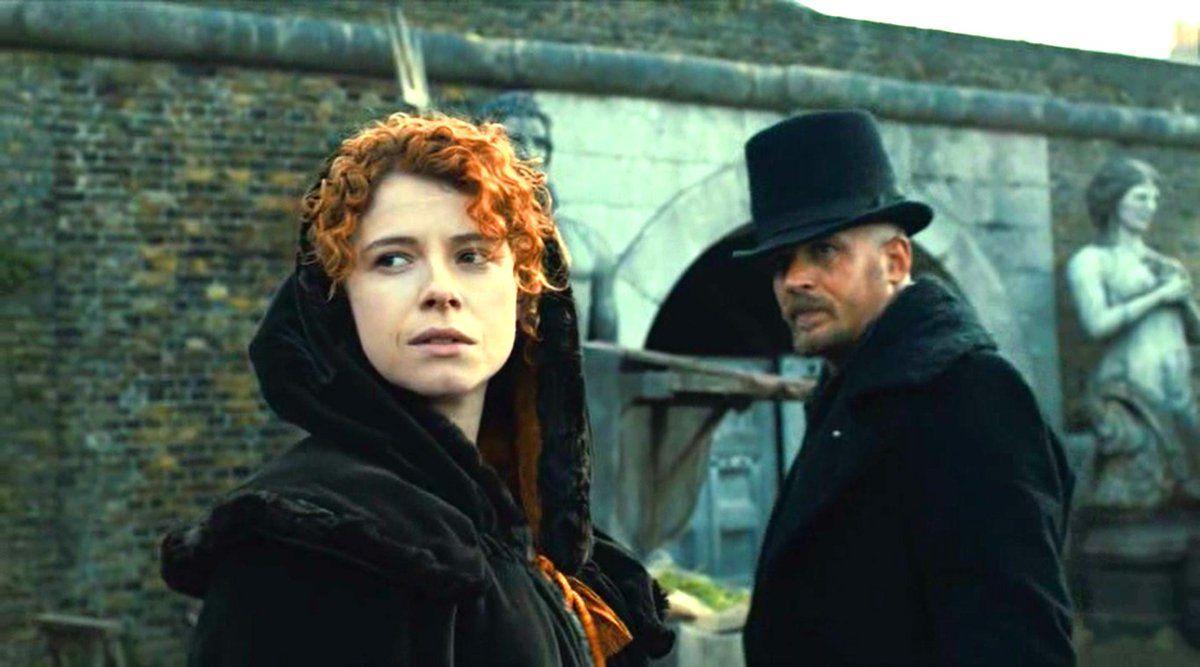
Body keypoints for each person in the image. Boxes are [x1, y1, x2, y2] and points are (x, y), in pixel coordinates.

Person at [159, 113, 673, 666]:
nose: (440, 291)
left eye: (472, 255)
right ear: (341, 300)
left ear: (524, 294)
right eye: (394, 259)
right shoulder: (308, 546)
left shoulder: (540, 546)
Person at [735, 110, 1076, 665]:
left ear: (894, 261)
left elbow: (1016, 642)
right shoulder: (852, 392)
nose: (795, 280)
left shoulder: (969, 395)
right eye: (781, 262)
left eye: (824, 251)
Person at [1066, 156, 1200, 509]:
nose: (1149, 207)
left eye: (1154, 199)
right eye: (1140, 197)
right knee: (1136, 496)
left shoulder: (1166, 264)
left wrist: (1184, 299)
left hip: (1179, 395)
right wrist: (1159, 296)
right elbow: (1096, 324)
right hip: (1130, 393)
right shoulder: (1091, 260)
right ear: (1114, 199)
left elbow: (1195, 333)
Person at [477, 91, 620, 342]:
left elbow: (606, 351)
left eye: (540, 143)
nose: (531, 153)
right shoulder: (463, 236)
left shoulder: (590, 247)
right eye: (515, 141)